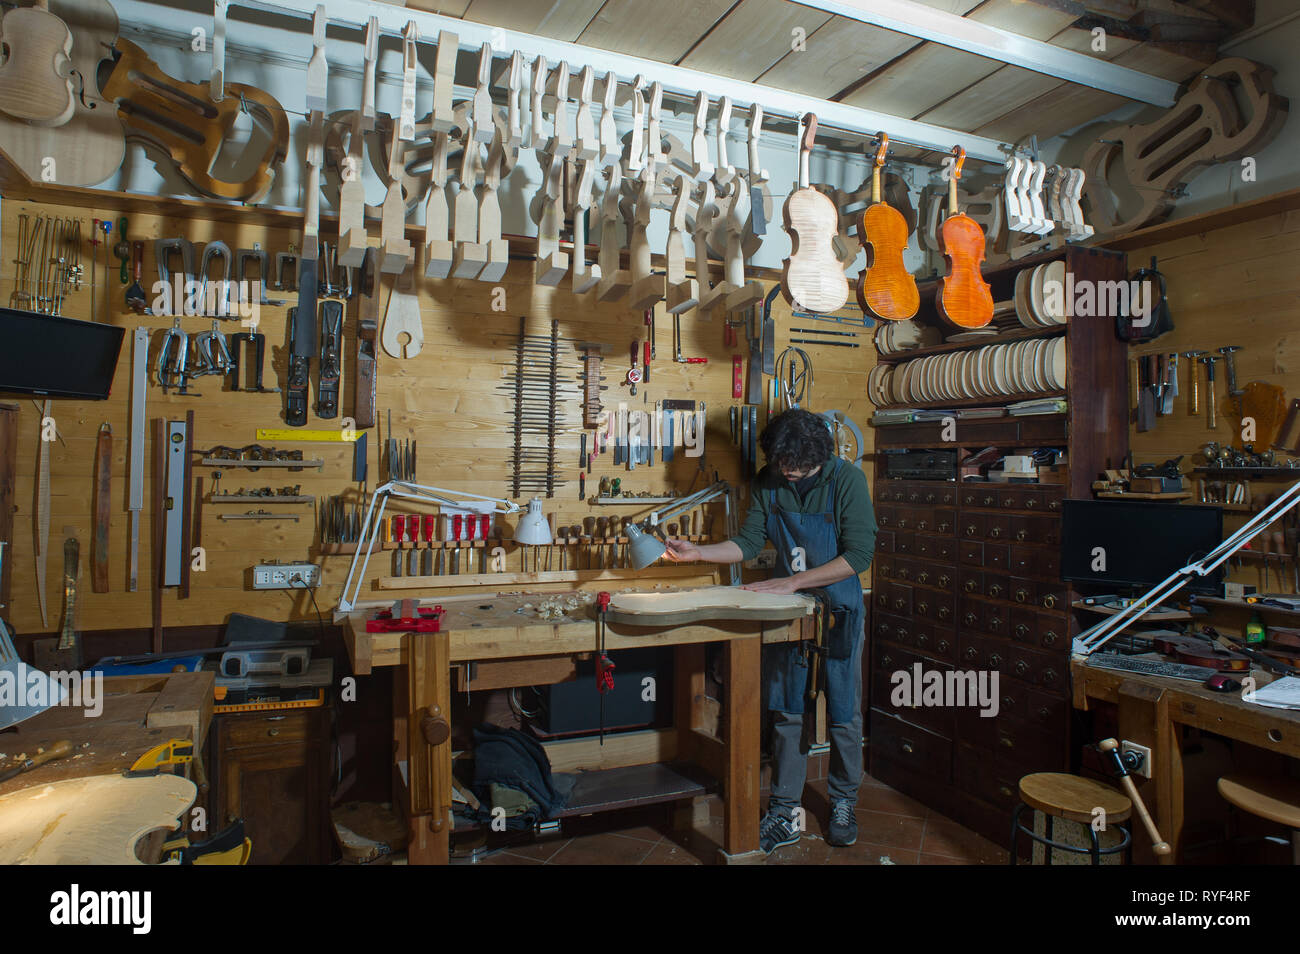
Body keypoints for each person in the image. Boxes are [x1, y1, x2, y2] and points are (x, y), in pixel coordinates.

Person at [664, 408, 876, 854]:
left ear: (819, 457)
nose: (787, 473)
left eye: (795, 467)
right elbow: (746, 544)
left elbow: (859, 555)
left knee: (842, 713)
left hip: (837, 609)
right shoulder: (770, 479)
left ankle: (843, 802)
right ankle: (784, 813)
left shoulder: (846, 481)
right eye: (781, 464)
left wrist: (795, 581)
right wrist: (697, 554)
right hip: (788, 611)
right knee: (787, 710)